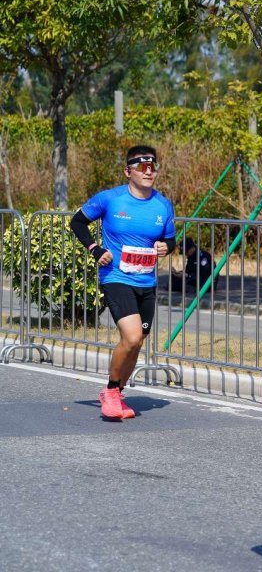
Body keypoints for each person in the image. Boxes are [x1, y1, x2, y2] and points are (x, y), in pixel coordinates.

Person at [70, 145, 176, 420]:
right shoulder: (110, 199)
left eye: (153, 167)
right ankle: (111, 391)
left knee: (137, 341)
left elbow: (170, 239)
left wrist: (166, 247)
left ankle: (117, 389)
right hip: (116, 276)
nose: (149, 172)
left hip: (146, 281)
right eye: (142, 167)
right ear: (128, 172)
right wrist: (95, 249)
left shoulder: (163, 205)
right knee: (130, 336)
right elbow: (77, 222)